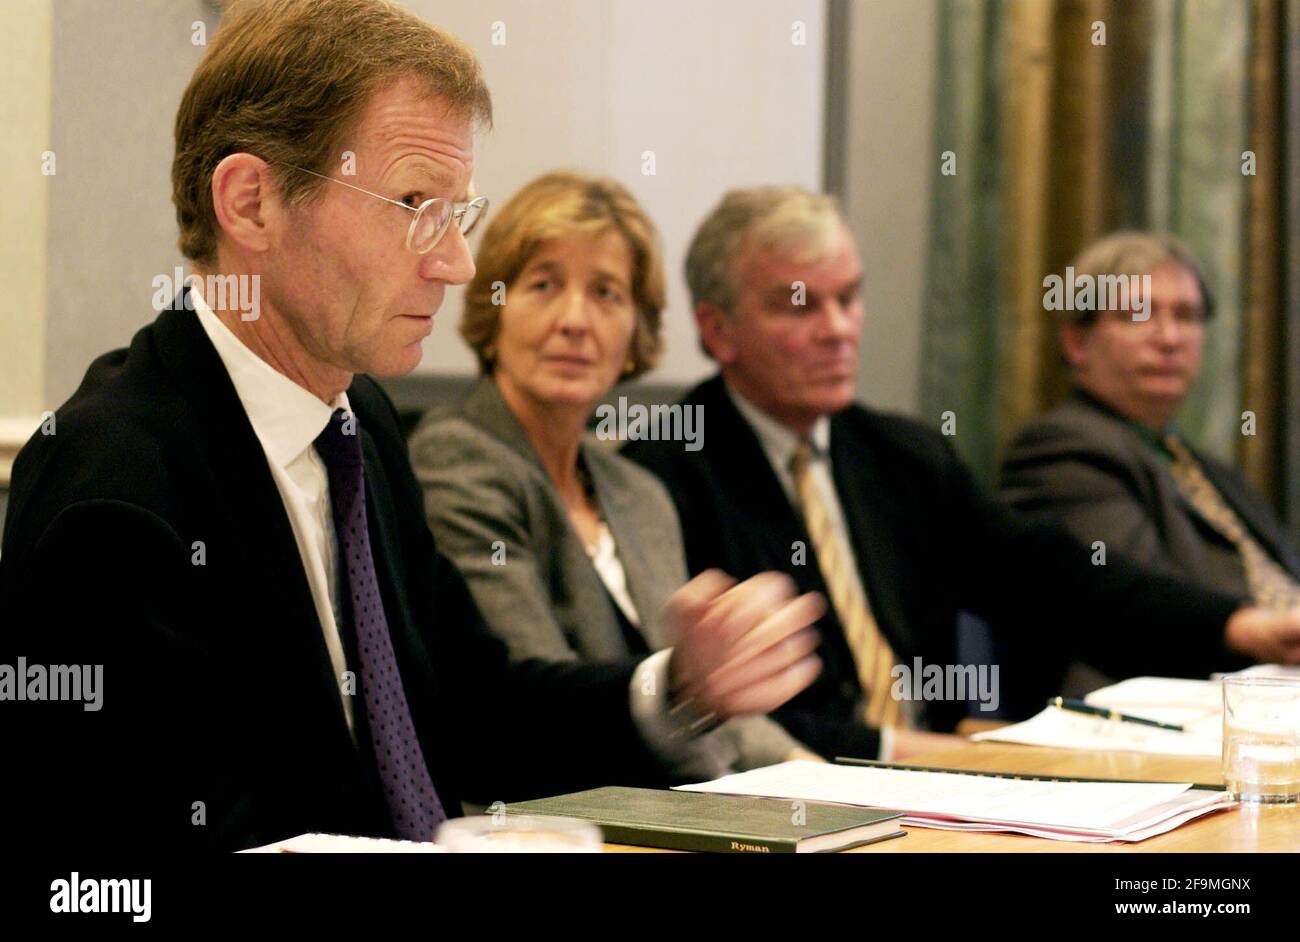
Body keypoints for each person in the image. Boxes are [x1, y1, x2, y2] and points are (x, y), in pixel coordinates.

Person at [0, 1, 822, 852]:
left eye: (457, 212)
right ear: (251, 204)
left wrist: (676, 686)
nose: (458, 263)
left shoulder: (362, 426)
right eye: (412, 203)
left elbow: (473, 703)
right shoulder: (115, 481)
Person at [625, 186, 1300, 761]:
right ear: (718, 331)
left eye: (850, 298)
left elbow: (1053, 578)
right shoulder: (663, 472)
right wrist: (928, 752)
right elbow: (715, 710)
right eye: (801, 306)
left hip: (943, 782)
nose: (840, 329)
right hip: (789, 795)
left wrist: (1237, 628)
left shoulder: (900, 454)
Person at [410, 171, 818, 778]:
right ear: (493, 310)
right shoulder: (456, 459)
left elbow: (713, 701)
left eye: (606, 293)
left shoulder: (638, 491)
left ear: (635, 333)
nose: (575, 320)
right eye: (543, 285)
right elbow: (534, 711)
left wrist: (816, 775)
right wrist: (693, 695)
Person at [1001, 231, 1300, 694]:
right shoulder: (1060, 451)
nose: (1169, 337)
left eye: (1186, 315)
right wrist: (1260, 628)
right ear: (1077, 343)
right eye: (1137, 313)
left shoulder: (1211, 469)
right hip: (1158, 711)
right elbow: (1140, 605)